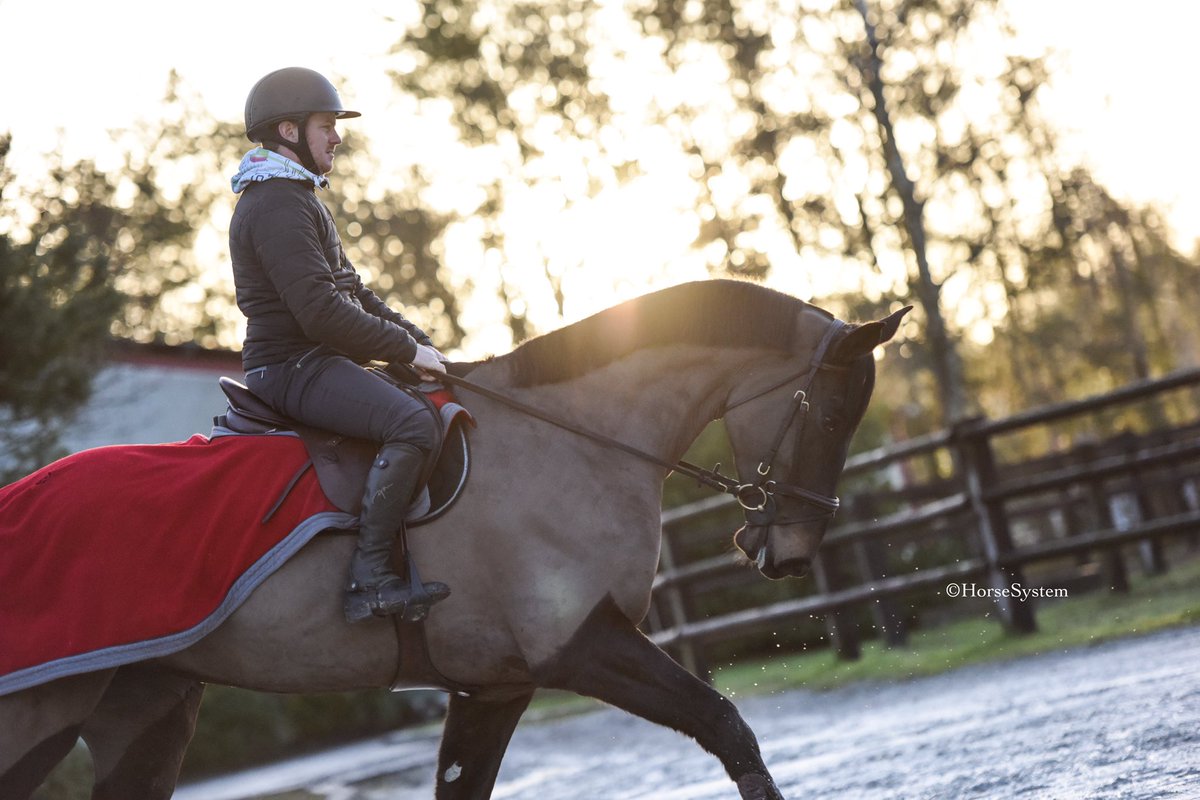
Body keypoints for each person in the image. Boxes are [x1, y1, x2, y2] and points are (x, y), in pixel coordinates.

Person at [229, 66, 450, 624]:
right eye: (326, 126)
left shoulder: (299, 197)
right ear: (288, 131)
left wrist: (425, 347)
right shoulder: (277, 204)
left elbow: (355, 293)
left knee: (425, 400)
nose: (337, 137)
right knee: (412, 423)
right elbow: (321, 312)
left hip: (314, 360)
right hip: (292, 366)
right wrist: (404, 352)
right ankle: (369, 580)